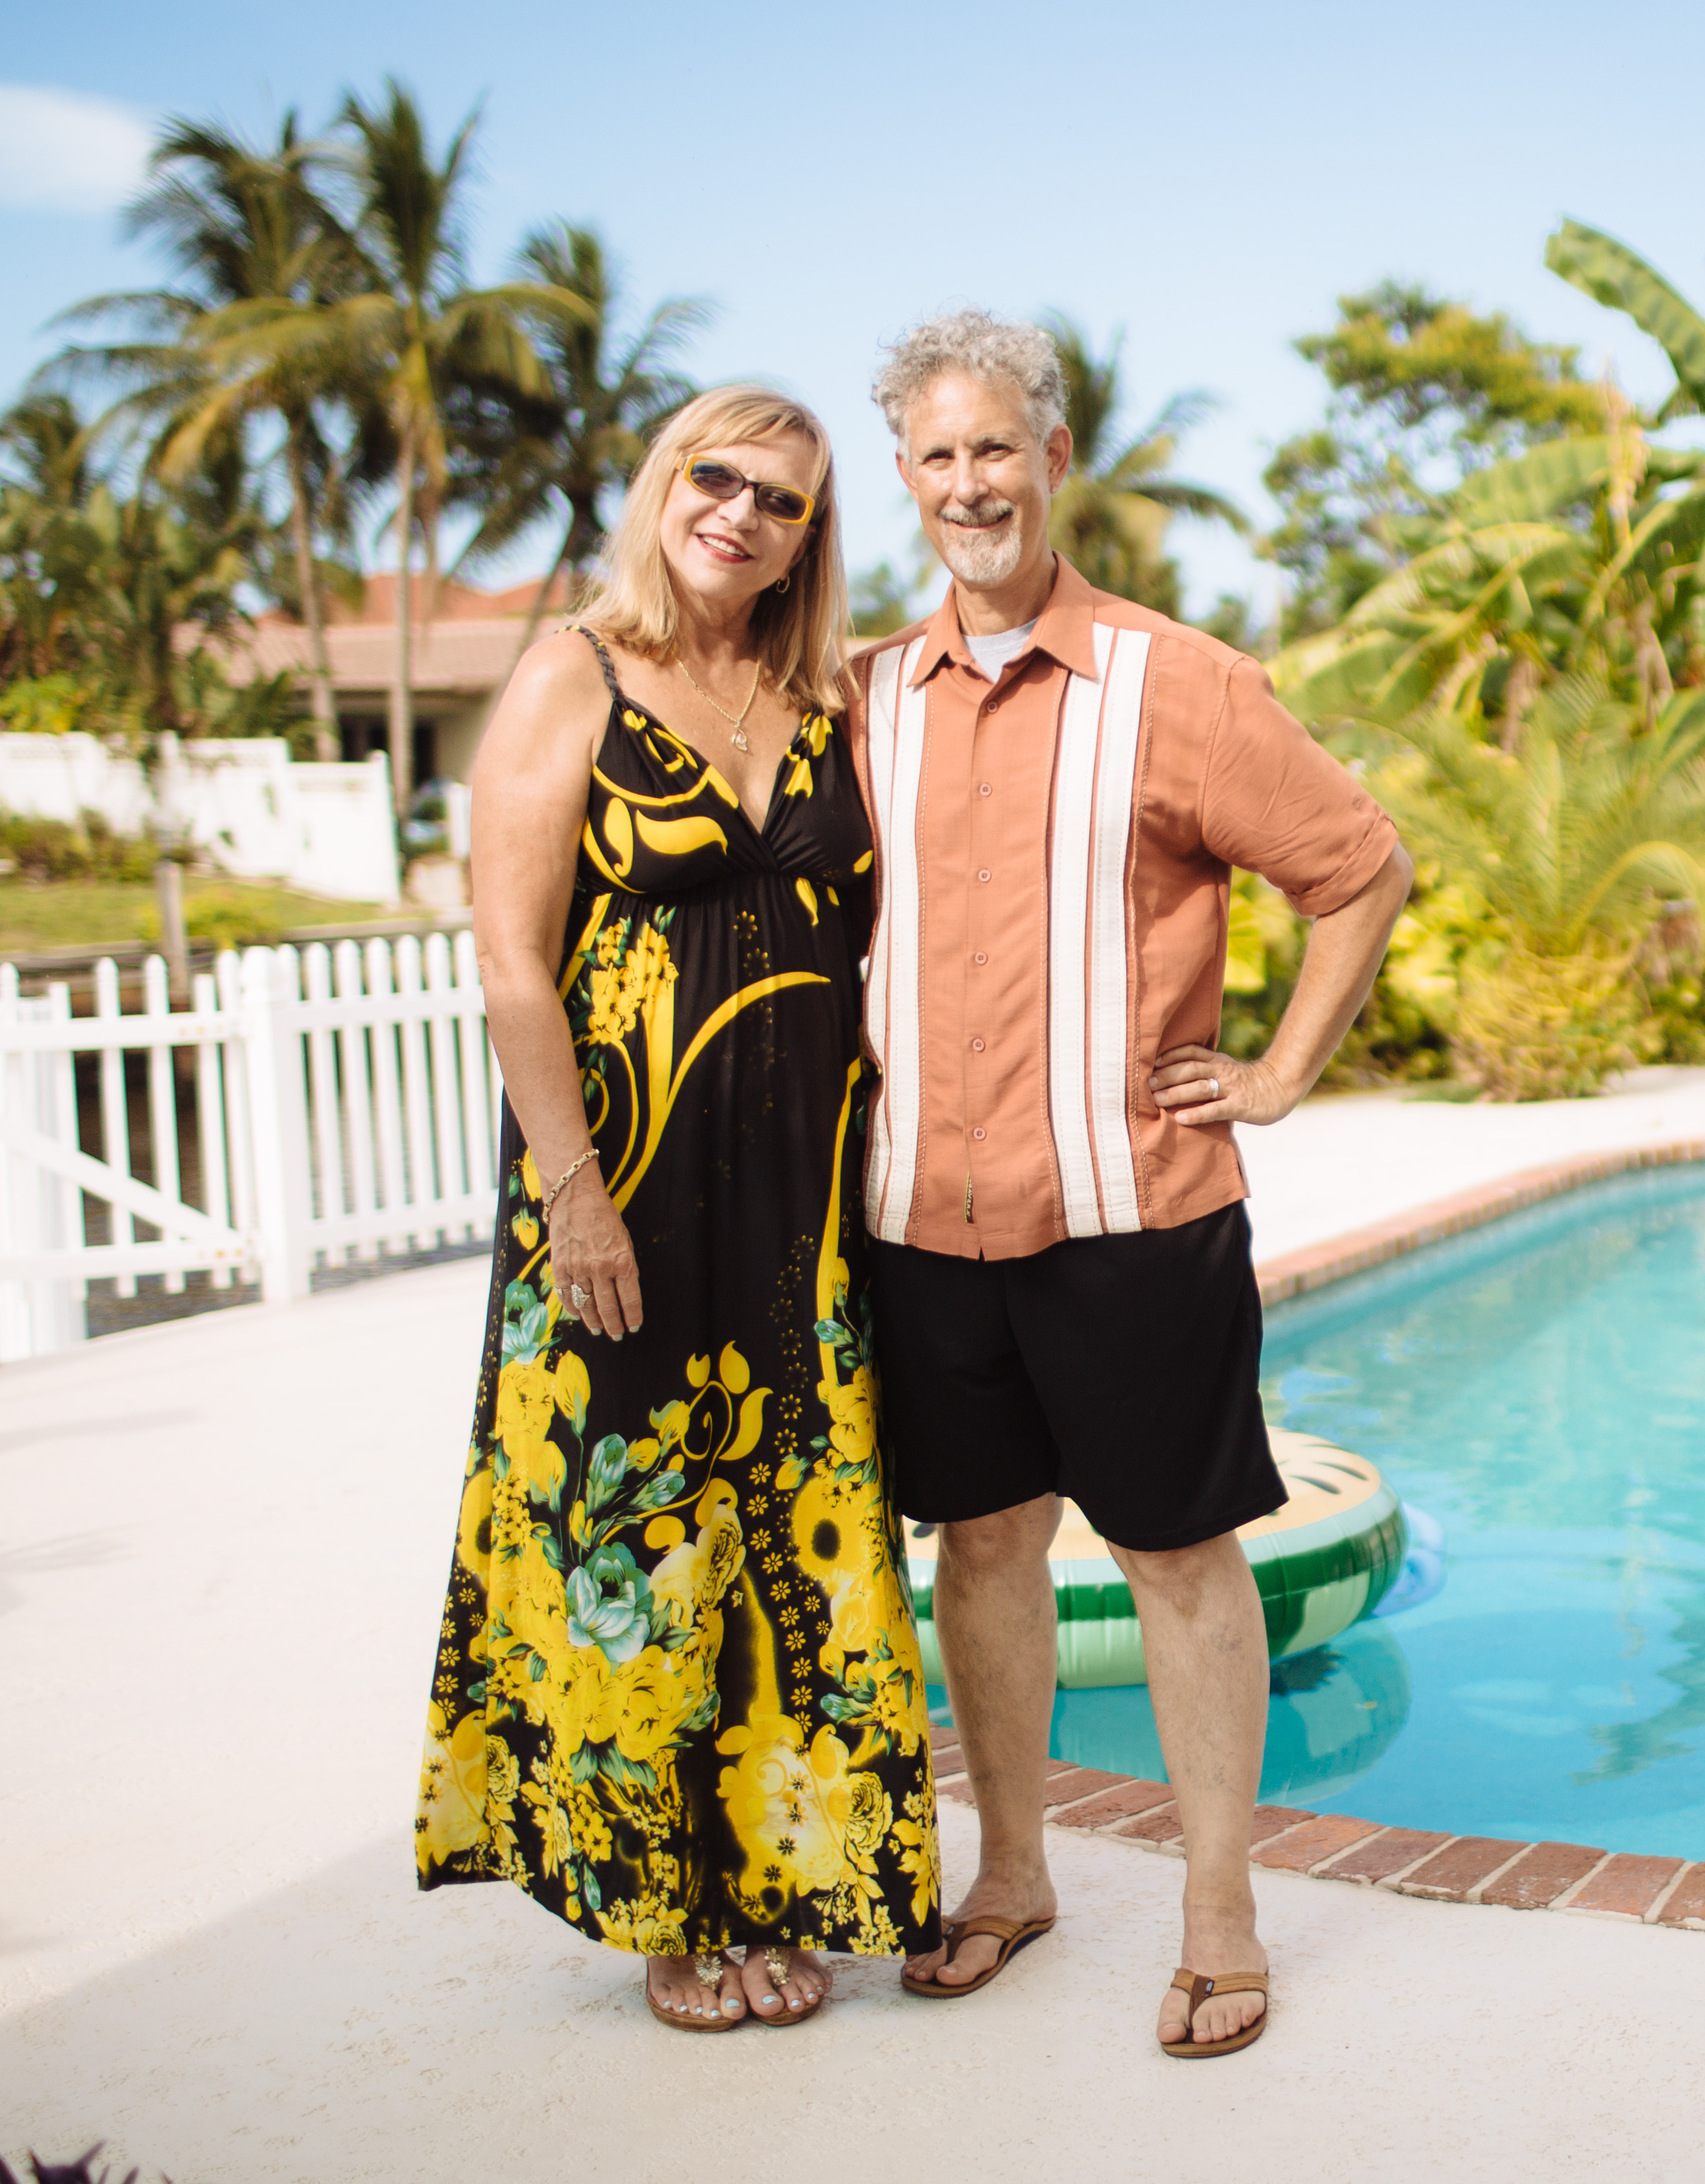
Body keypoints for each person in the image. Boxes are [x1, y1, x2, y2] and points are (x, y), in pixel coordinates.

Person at [858, 312, 1413, 2059]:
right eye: (936, 456)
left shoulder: (1179, 686)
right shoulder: (861, 694)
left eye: (993, 450)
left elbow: (1359, 866)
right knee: (983, 1552)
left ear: (1052, 459)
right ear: (906, 478)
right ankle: (1011, 1878)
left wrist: (1281, 1072)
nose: (969, 485)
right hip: (922, 1228)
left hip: (1135, 1222)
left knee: (1178, 1560)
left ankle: (1218, 1916)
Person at [414, 385, 940, 2032]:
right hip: (620, 1190)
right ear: (663, 488)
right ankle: (666, 1910)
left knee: (794, 1527)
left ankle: (783, 1881)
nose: (740, 512)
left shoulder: (817, 694)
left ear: (809, 535)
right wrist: (571, 1193)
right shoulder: (574, 670)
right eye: (715, 477)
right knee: (643, 1538)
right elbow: (510, 961)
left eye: (780, 498)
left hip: (800, 1206)